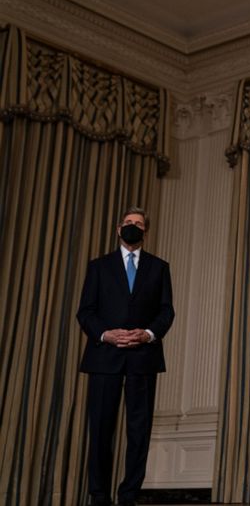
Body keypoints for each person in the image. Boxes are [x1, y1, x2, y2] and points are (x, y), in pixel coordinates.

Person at [77, 207, 175, 506]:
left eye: (139, 224)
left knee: (139, 431)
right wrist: (105, 334)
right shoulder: (99, 267)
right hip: (104, 357)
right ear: (119, 229)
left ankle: (129, 495)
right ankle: (99, 495)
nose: (133, 227)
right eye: (129, 223)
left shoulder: (159, 267)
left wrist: (148, 333)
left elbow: (166, 311)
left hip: (143, 357)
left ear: (146, 232)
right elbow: (86, 311)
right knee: (101, 430)